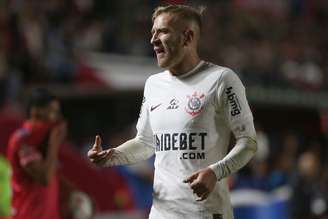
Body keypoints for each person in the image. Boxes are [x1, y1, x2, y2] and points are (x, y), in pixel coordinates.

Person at [88, 4, 257, 219]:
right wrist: (112, 156)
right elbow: (145, 142)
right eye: (152, 33)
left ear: (188, 37)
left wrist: (216, 172)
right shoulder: (153, 85)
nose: (153, 40)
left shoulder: (222, 80)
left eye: (163, 31)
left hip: (205, 213)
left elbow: (248, 142)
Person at [7, 88, 66, 219]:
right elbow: (45, 178)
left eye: (57, 112)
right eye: (52, 111)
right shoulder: (22, 139)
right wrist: (54, 142)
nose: (56, 118)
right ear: (35, 111)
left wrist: (73, 192)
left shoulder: (43, 140)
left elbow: (53, 176)